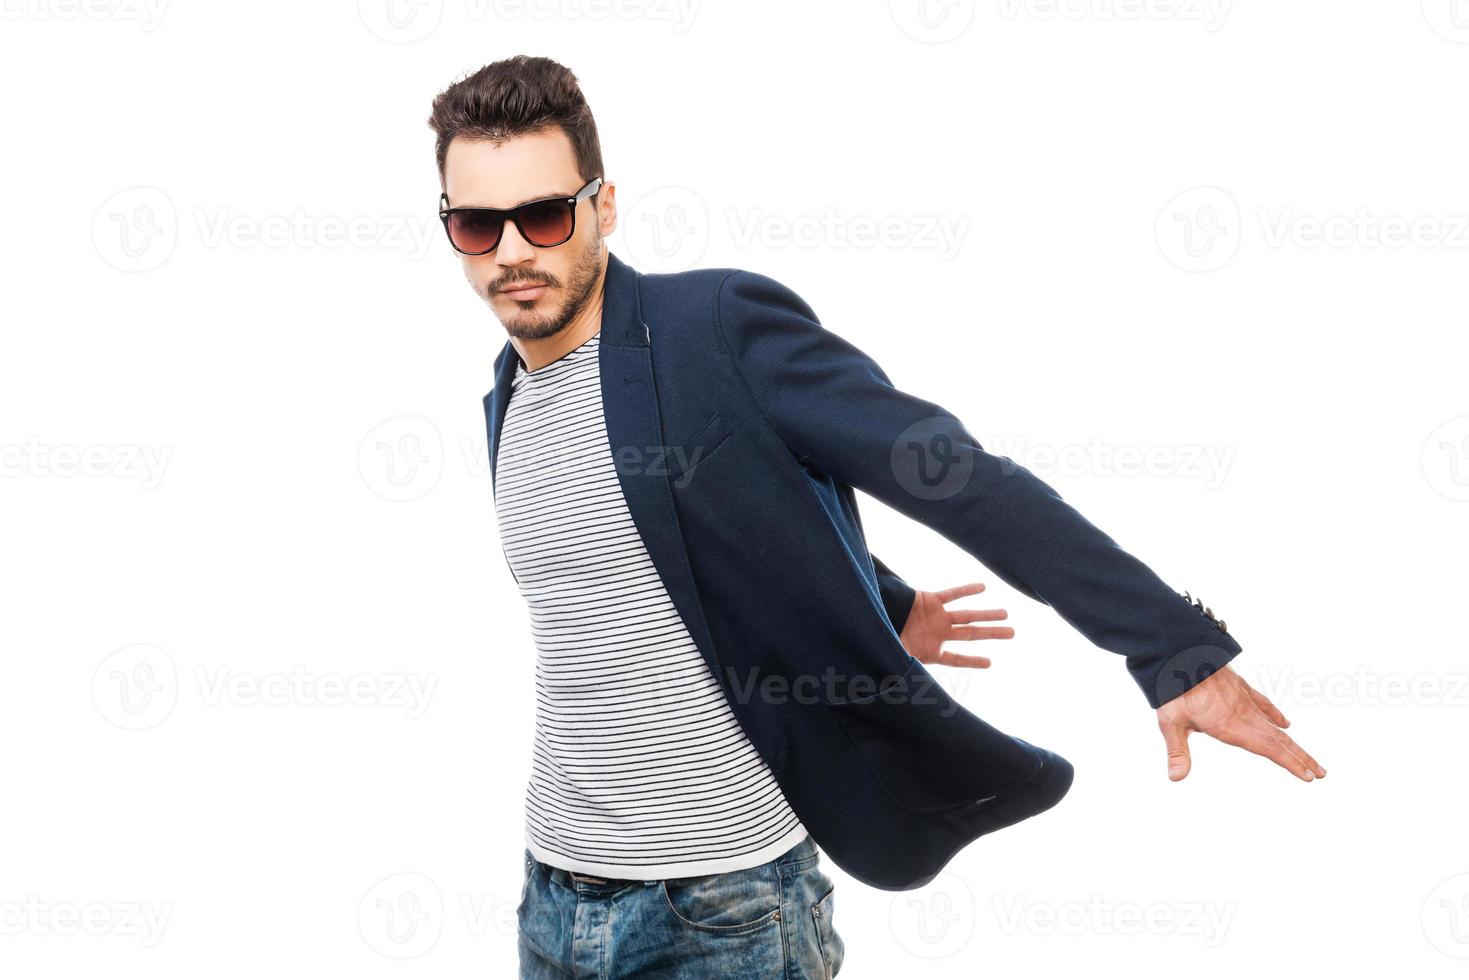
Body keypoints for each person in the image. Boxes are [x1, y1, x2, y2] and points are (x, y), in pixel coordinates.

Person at [427, 54, 1324, 979]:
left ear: (602, 207)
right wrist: (884, 605)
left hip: (720, 916)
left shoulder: (714, 327)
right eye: (475, 224)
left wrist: (1169, 648)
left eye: (541, 214)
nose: (511, 252)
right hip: (552, 896)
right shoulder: (507, 398)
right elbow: (705, 525)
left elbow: (961, 478)